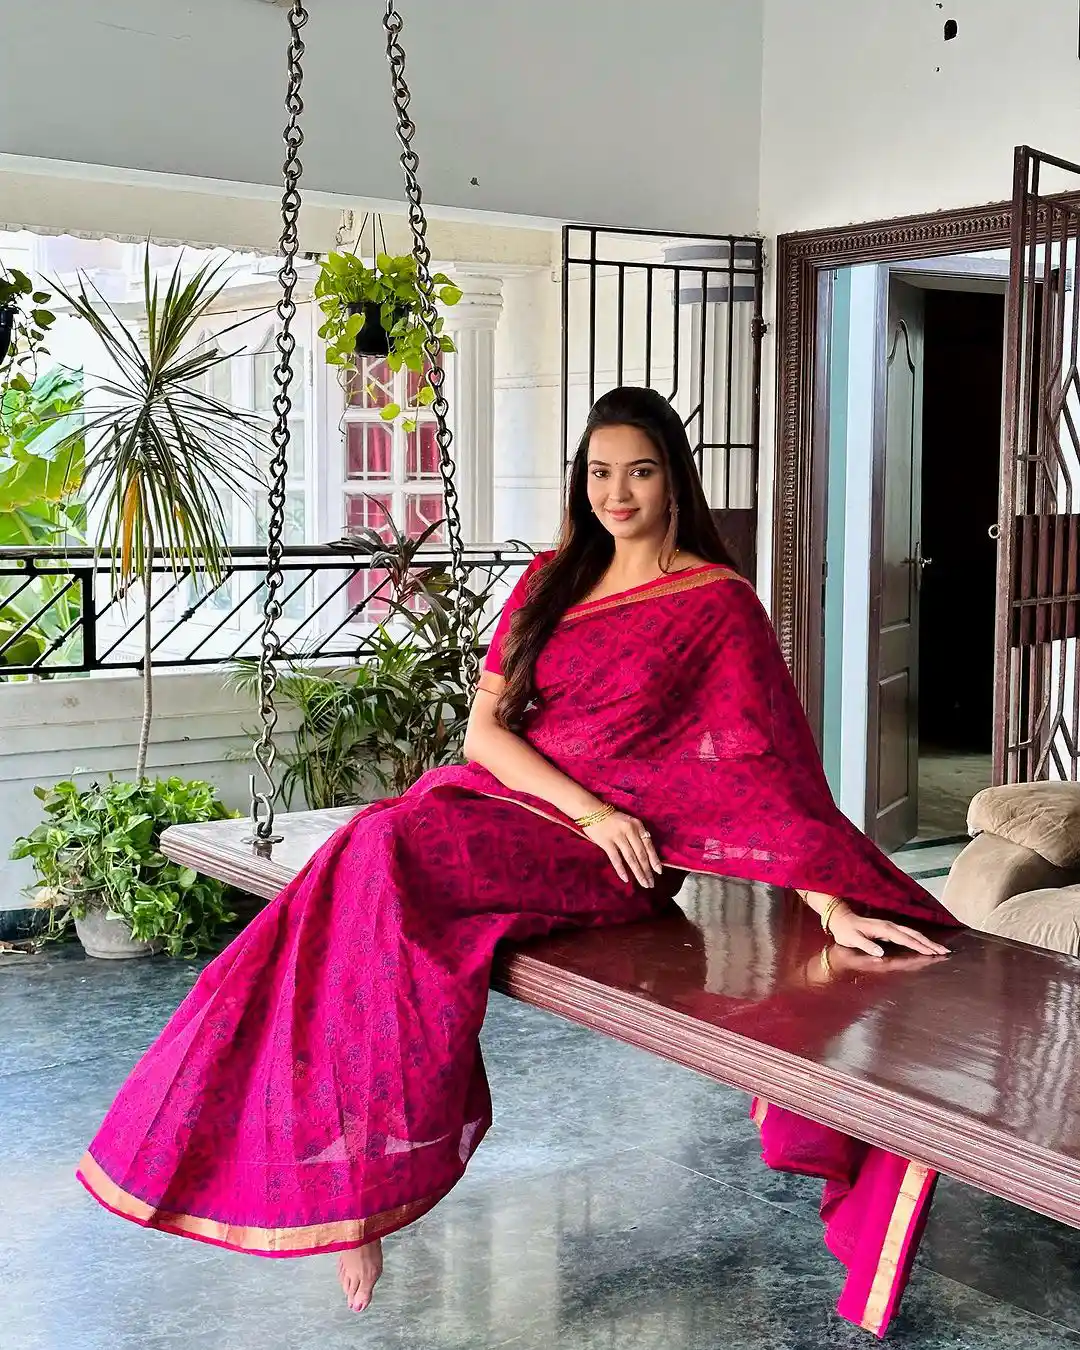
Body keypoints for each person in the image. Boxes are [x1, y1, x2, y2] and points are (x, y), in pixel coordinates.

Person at [76, 386, 954, 1333]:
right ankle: (342, 1181)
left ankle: (355, 1184)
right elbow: (486, 732)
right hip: (518, 810)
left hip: (617, 861)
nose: (617, 492)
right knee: (360, 863)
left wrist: (829, 904)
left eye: (641, 471)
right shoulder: (549, 581)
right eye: (600, 471)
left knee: (377, 847)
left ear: (674, 481)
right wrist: (581, 807)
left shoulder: (716, 602)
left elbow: (766, 762)